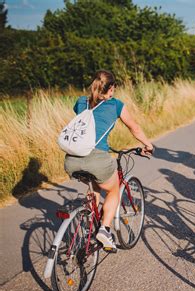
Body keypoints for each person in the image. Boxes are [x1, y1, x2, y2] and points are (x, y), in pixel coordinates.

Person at [64, 70, 154, 252]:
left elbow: (84, 119)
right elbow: (134, 128)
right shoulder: (116, 105)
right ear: (111, 88)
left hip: (71, 160)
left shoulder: (81, 101)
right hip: (96, 158)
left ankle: (90, 220)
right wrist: (148, 145)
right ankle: (104, 230)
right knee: (113, 190)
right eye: (113, 88)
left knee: (95, 185)